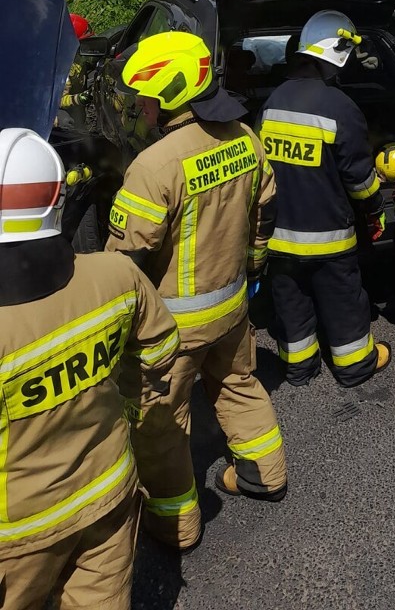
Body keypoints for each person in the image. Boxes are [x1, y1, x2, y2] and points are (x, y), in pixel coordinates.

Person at [105, 31, 287, 552]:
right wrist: (253, 271)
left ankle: (177, 525)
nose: (140, 107)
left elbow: (126, 266)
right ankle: (266, 474)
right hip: (232, 309)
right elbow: (262, 218)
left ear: (168, 96)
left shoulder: (154, 166)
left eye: (146, 97)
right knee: (239, 386)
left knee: (162, 424)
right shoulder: (245, 139)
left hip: (172, 331)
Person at [0, 126, 180, 609]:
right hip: (108, 494)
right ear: (59, 198)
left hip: (18, 535)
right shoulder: (115, 275)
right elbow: (160, 353)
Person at [258, 11, 391, 387]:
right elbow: (359, 180)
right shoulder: (340, 107)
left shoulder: (272, 103)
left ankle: (300, 368)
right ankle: (354, 367)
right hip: (329, 238)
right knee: (343, 301)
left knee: (290, 302)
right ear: (336, 54)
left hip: (279, 237)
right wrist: (375, 208)